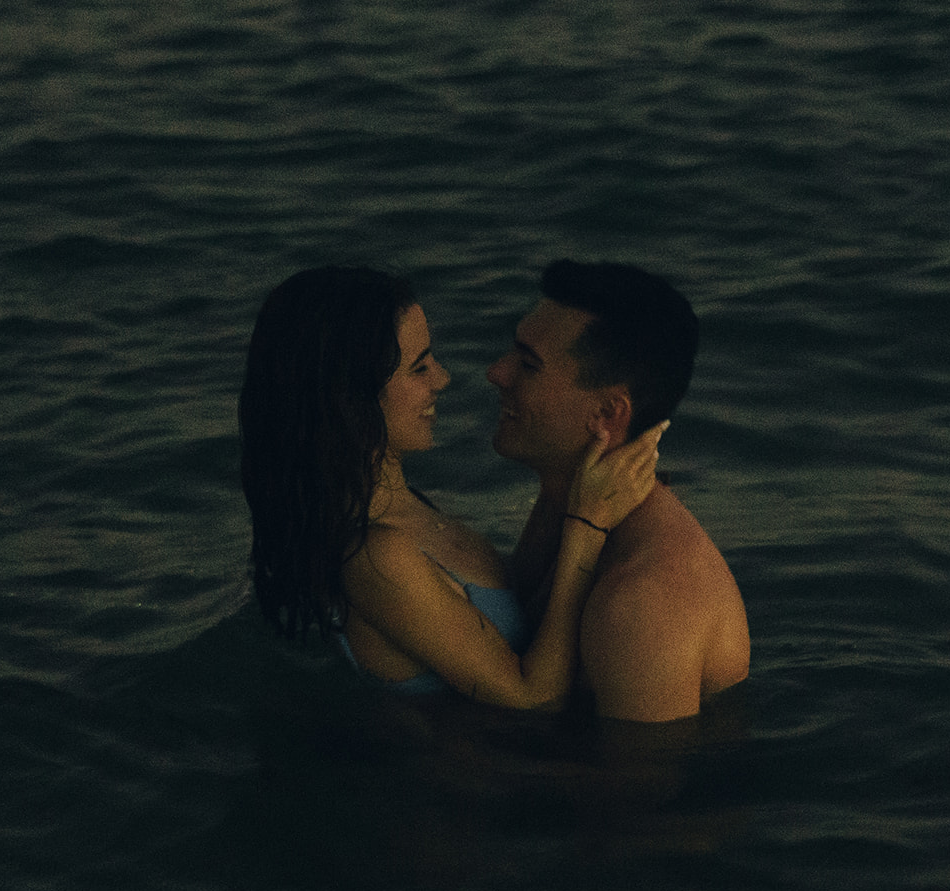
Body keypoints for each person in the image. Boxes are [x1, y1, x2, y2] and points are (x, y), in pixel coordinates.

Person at [239, 266, 665, 710]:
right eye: (419, 367)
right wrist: (586, 526)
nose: (442, 378)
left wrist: (563, 484)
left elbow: (501, 607)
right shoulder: (377, 557)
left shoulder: (403, 507)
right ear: (353, 397)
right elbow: (532, 697)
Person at [487, 260, 750, 722]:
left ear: (609, 412)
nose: (497, 373)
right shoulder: (564, 505)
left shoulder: (642, 605)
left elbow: (636, 791)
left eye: (528, 364)